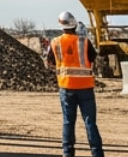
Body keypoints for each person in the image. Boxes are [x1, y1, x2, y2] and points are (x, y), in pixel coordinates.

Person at [43, 10, 106, 157]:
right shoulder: (84, 42)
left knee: (68, 122)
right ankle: (97, 153)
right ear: (74, 25)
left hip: (66, 87)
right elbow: (92, 58)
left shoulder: (55, 42)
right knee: (90, 123)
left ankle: (68, 153)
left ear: (61, 26)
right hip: (85, 88)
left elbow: (50, 62)